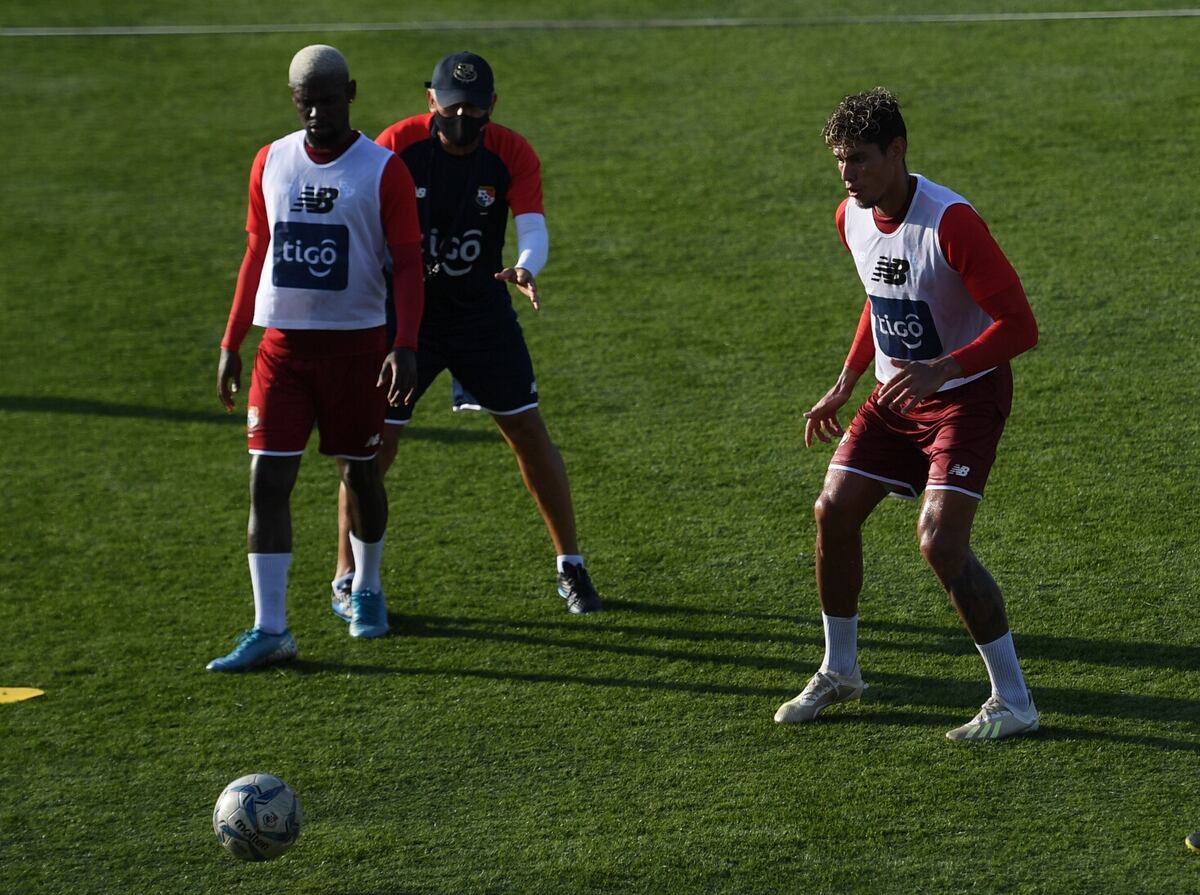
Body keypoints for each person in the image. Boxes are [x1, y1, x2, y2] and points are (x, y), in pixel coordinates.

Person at [774, 88, 1040, 740]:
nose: (848, 174)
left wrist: (943, 368)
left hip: (965, 398)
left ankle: (1015, 702)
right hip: (895, 396)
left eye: (859, 160)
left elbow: (1021, 325)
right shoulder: (850, 217)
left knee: (940, 542)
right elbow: (880, 296)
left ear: (897, 151)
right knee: (832, 510)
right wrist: (845, 379)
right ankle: (841, 669)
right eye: (840, 161)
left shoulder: (951, 222)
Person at [328, 51, 601, 618]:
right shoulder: (396, 145)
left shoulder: (511, 152)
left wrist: (527, 264)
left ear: (492, 107)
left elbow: (533, 225)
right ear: (432, 100)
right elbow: (361, 224)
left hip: (481, 313)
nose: (464, 119)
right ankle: (346, 574)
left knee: (528, 431)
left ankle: (570, 565)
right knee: (373, 445)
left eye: (477, 110)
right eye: (454, 107)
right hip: (406, 317)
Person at [208, 44, 425, 671]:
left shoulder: (383, 170)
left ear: (350, 93)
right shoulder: (271, 161)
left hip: (356, 349)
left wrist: (404, 345)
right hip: (282, 351)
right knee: (267, 482)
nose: (316, 113)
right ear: (292, 98)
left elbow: (409, 265)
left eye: (328, 100)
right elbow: (257, 252)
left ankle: (367, 589)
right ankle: (270, 628)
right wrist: (231, 341)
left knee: (360, 474)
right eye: (306, 101)